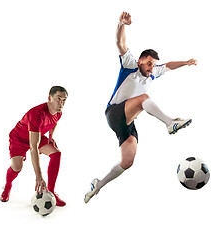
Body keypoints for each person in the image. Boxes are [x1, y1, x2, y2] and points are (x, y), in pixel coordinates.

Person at [84, 12, 197, 203]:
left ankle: (97, 185)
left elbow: (168, 65)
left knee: (127, 162)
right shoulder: (130, 66)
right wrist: (121, 24)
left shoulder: (153, 73)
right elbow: (120, 44)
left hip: (127, 122)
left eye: (153, 65)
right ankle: (170, 123)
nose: (152, 68)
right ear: (140, 61)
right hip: (114, 112)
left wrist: (185, 63)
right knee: (143, 98)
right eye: (149, 64)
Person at [1, 86, 68, 207]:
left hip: (37, 135)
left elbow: (54, 122)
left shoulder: (58, 112)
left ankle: (51, 192)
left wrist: (51, 136)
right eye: (58, 98)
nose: (61, 102)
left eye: (64, 100)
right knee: (16, 167)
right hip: (19, 139)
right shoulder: (37, 114)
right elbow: (33, 147)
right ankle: (7, 186)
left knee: (56, 154)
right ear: (49, 98)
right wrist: (39, 176)